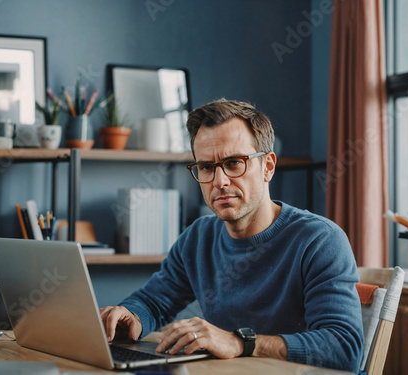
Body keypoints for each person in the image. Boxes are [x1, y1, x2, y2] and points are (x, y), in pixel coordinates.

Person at [100, 99, 364, 372]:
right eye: (206, 167)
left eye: (234, 163)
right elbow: (154, 302)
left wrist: (242, 342)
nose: (219, 181)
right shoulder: (198, 238)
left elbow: (344, 349)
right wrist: (129, 316)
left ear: (268, 167)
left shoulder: (319, 241)